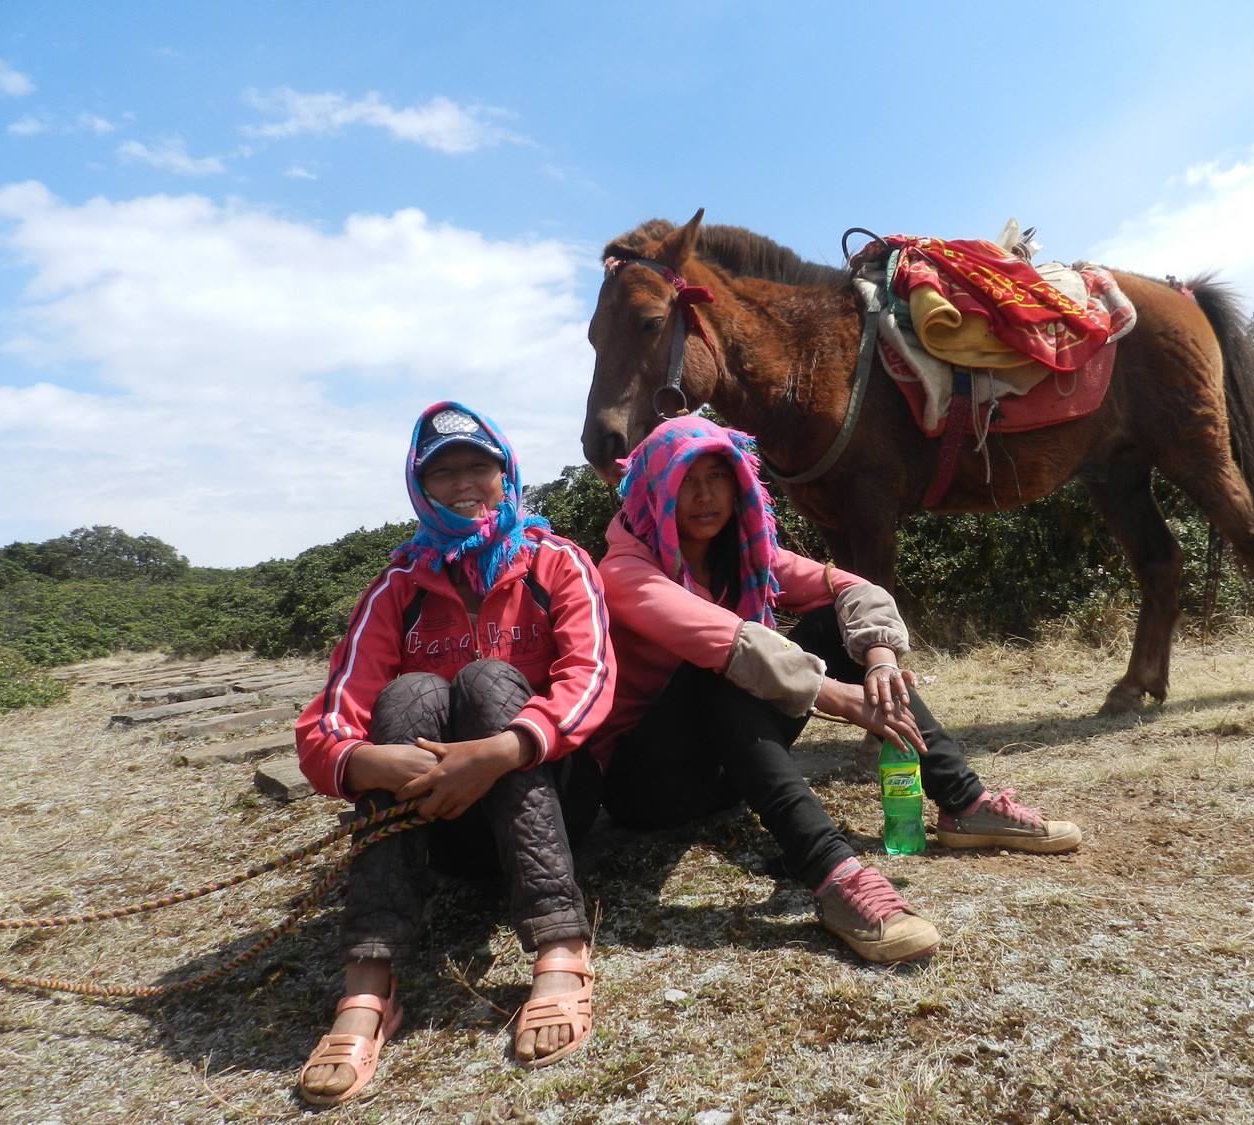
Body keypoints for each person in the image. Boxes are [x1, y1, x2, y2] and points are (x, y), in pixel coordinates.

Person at [589, 416, 1080, 964]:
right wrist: (842, 700)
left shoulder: (747, 553)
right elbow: (729, 643)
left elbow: (851, 586)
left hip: (725, 770)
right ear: (655, 488)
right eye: (684, 480)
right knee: (721, 662)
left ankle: (964, 803)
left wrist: (878, 662)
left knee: (832, 628)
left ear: (739, 484)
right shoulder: (624, 569)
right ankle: (833, 874)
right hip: (648, 785)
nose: (705, 495)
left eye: (717, 476)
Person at [293, 403, 614, 1103]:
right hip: (439, 818)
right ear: (421, 488)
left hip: (551, 798)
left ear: (506, 475)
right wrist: (372, 763)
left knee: (489, 680)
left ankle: (561, 944)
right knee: (407, 696)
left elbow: (591, 679)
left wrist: (499, 749)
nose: (464, 482)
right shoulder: (396, 588)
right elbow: (326, 724)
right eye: (444, 472)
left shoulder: (556, 561)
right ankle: (369, 988)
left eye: (479, 466)